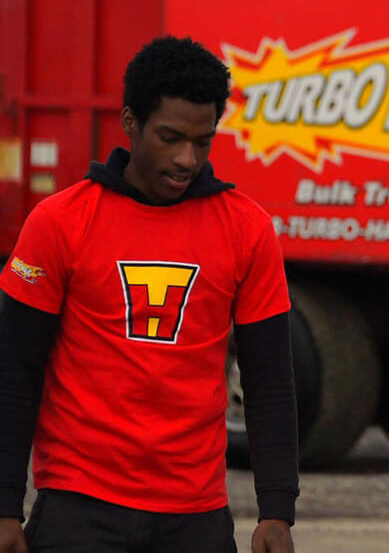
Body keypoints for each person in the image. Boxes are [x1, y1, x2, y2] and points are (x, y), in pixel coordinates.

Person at [0, 36, 299, 553]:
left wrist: (277, 510)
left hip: (196, 517)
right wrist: (4, 506)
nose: (187, 158)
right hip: (77, 509)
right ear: (131, 122)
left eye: (203, 141)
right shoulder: (59, 222)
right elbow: (14, 371)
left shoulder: (247, 229)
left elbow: (269, 378)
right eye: (170, 137)